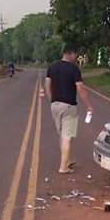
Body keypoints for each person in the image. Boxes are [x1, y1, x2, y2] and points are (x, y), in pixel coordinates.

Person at [45, 46, 94, 174]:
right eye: (76, 55)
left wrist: (52, 100)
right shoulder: (73, 69)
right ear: (70, 54)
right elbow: (80, 87)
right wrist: (88, 104)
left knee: (62, 134)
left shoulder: (52, 67)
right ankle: (63, 167)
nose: (76, 57)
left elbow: (47, 84)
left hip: (55, 105)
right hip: (69, 106)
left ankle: (66, 160)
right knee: (67, 137)